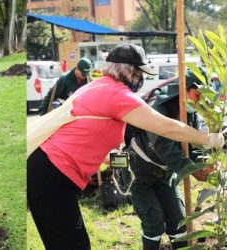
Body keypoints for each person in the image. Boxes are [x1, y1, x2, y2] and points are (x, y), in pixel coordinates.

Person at [27, 43, 225, 250]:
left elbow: (87, 131)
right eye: (139, 73)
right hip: (51, 176)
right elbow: (167, 128)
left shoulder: (99, 86)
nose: (141, 79)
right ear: (126, 70)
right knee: (73, 244)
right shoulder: (117, 95)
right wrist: (209, 139)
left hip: (48, 171)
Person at [126, 69, 214, 250]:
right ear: (184, 88)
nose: (199, 100)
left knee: (180, 224)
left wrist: (202, 164)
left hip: (166, 175)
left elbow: (189, 148)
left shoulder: (191, 114)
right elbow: (163, 146)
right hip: (140, 173)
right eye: (197, 94)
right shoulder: (159, 107)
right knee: (154, 223)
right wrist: (192, 170)